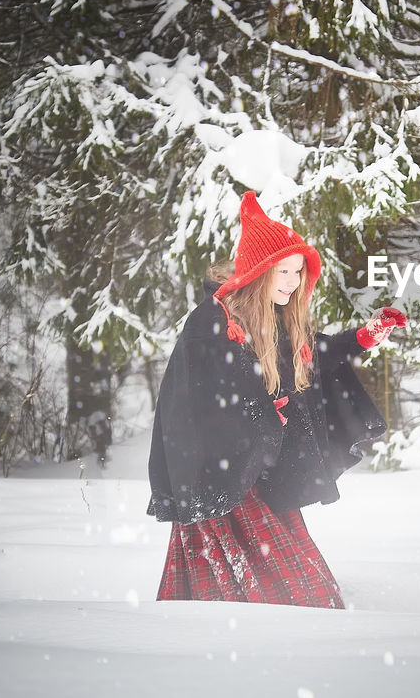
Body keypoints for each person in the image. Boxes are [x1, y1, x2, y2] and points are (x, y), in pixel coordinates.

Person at [147, 191, 406, 607]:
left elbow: (310, 354)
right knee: (236, 588)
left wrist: (363, 337)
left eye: (298, 272)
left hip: (257, 469)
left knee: (302, 587)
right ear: (258, 271)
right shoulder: (210, 321)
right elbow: (198, 400)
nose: (292, 281)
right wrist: (261, 415)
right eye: (283, 271)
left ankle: (271, 628)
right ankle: (221, 636)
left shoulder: (274, 318)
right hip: (217, 471)